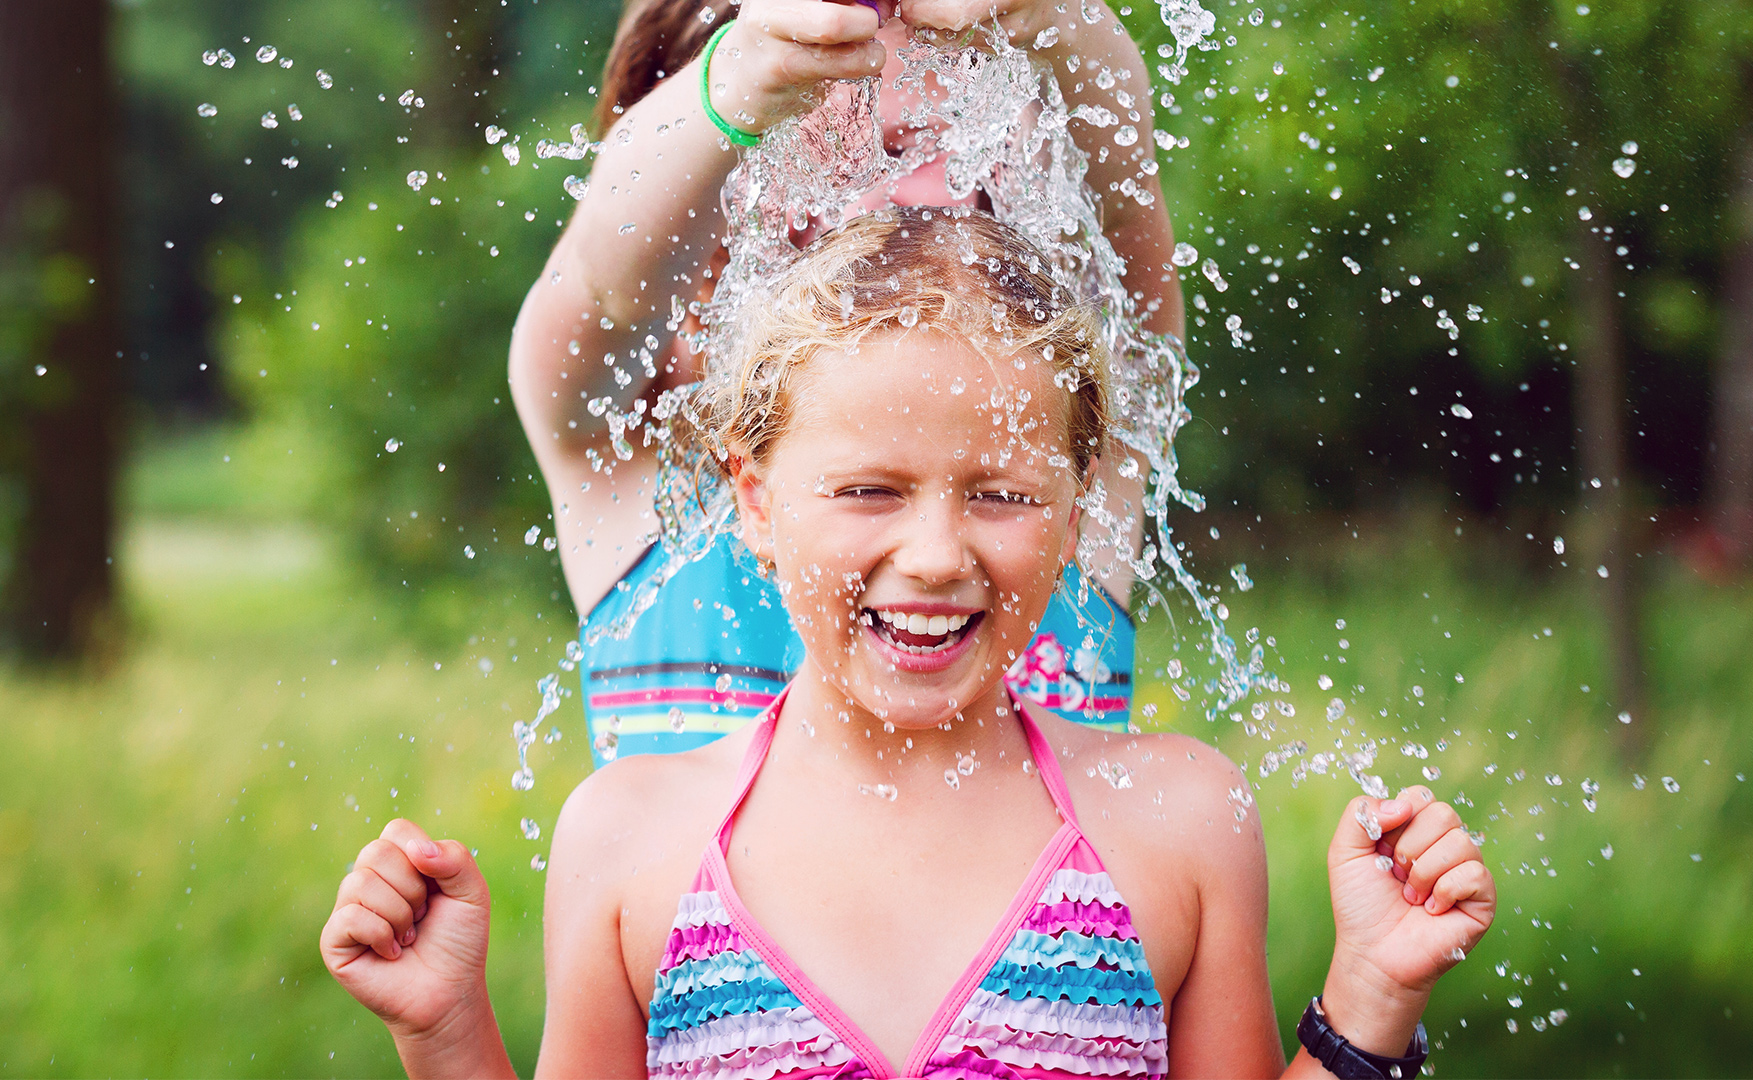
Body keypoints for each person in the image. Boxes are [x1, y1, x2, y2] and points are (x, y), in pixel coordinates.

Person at [323, 208, 1495, 1076]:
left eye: (1002, 495)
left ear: (1083, 504)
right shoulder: (633, 839)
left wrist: (1368, 999)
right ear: (754, 498)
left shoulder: (1180, 818)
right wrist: (446, 1033)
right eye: (870, 491)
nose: (936, 555)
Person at [507, 0, 1182, 758]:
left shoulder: (1066, 435)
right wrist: (736, 81)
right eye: (806, 114)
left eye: (950, 141)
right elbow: (608, 285)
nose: (888, 196)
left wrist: (1063, 23)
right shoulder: (639, 447)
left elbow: (1120, 225)